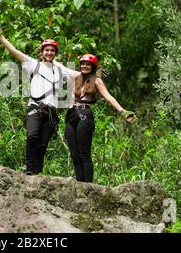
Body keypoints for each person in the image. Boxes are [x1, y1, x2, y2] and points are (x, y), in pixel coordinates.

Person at [0, 20, 70, 175]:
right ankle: (30, 172)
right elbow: (13, 51)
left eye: (52, 50)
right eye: (47, 50)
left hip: (51, 113)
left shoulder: (60, 70)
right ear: (42, 52)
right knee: (32, 137)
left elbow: (77, 75)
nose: (49, 53)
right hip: (35, 108)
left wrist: (95, 74)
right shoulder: (34, 64)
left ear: (55, 53)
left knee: (42, 146)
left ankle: (37, 174)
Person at [55, 54, 137, 183]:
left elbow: (109, 97)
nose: (85, 66)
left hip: (84, 115)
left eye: (88, 64)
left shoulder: (97, 81)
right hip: (71, 115)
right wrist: (47, 57)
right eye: (83, 64)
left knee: (84, 153)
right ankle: (79, 185)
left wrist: (123, 112)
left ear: (92, 67)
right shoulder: (76, 76)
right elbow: (60, 66)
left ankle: (88, 186)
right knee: (75, 155)